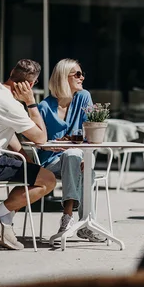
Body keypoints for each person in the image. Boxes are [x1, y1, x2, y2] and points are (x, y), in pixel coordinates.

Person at [0, 59, 56, 251]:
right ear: (30, 85)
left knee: (33, 175)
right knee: (48, 180)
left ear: (12, 71)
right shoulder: (11, 105)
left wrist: (24, 156)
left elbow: (6, 130)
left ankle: (3, 223)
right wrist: (31, 102)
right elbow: (41, 138)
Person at [37, 59, 106, 243]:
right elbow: (36, 140)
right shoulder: (44, 107)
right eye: (77, 74)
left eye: (82, 74)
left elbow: (91, 131)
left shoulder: (83, 97)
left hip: (77, 159)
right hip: (50, 163)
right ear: (62, 77)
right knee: (73, 156)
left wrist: (84, 154)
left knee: (83, 166)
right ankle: (78, 221)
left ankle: (77, 222)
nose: (82, 77)